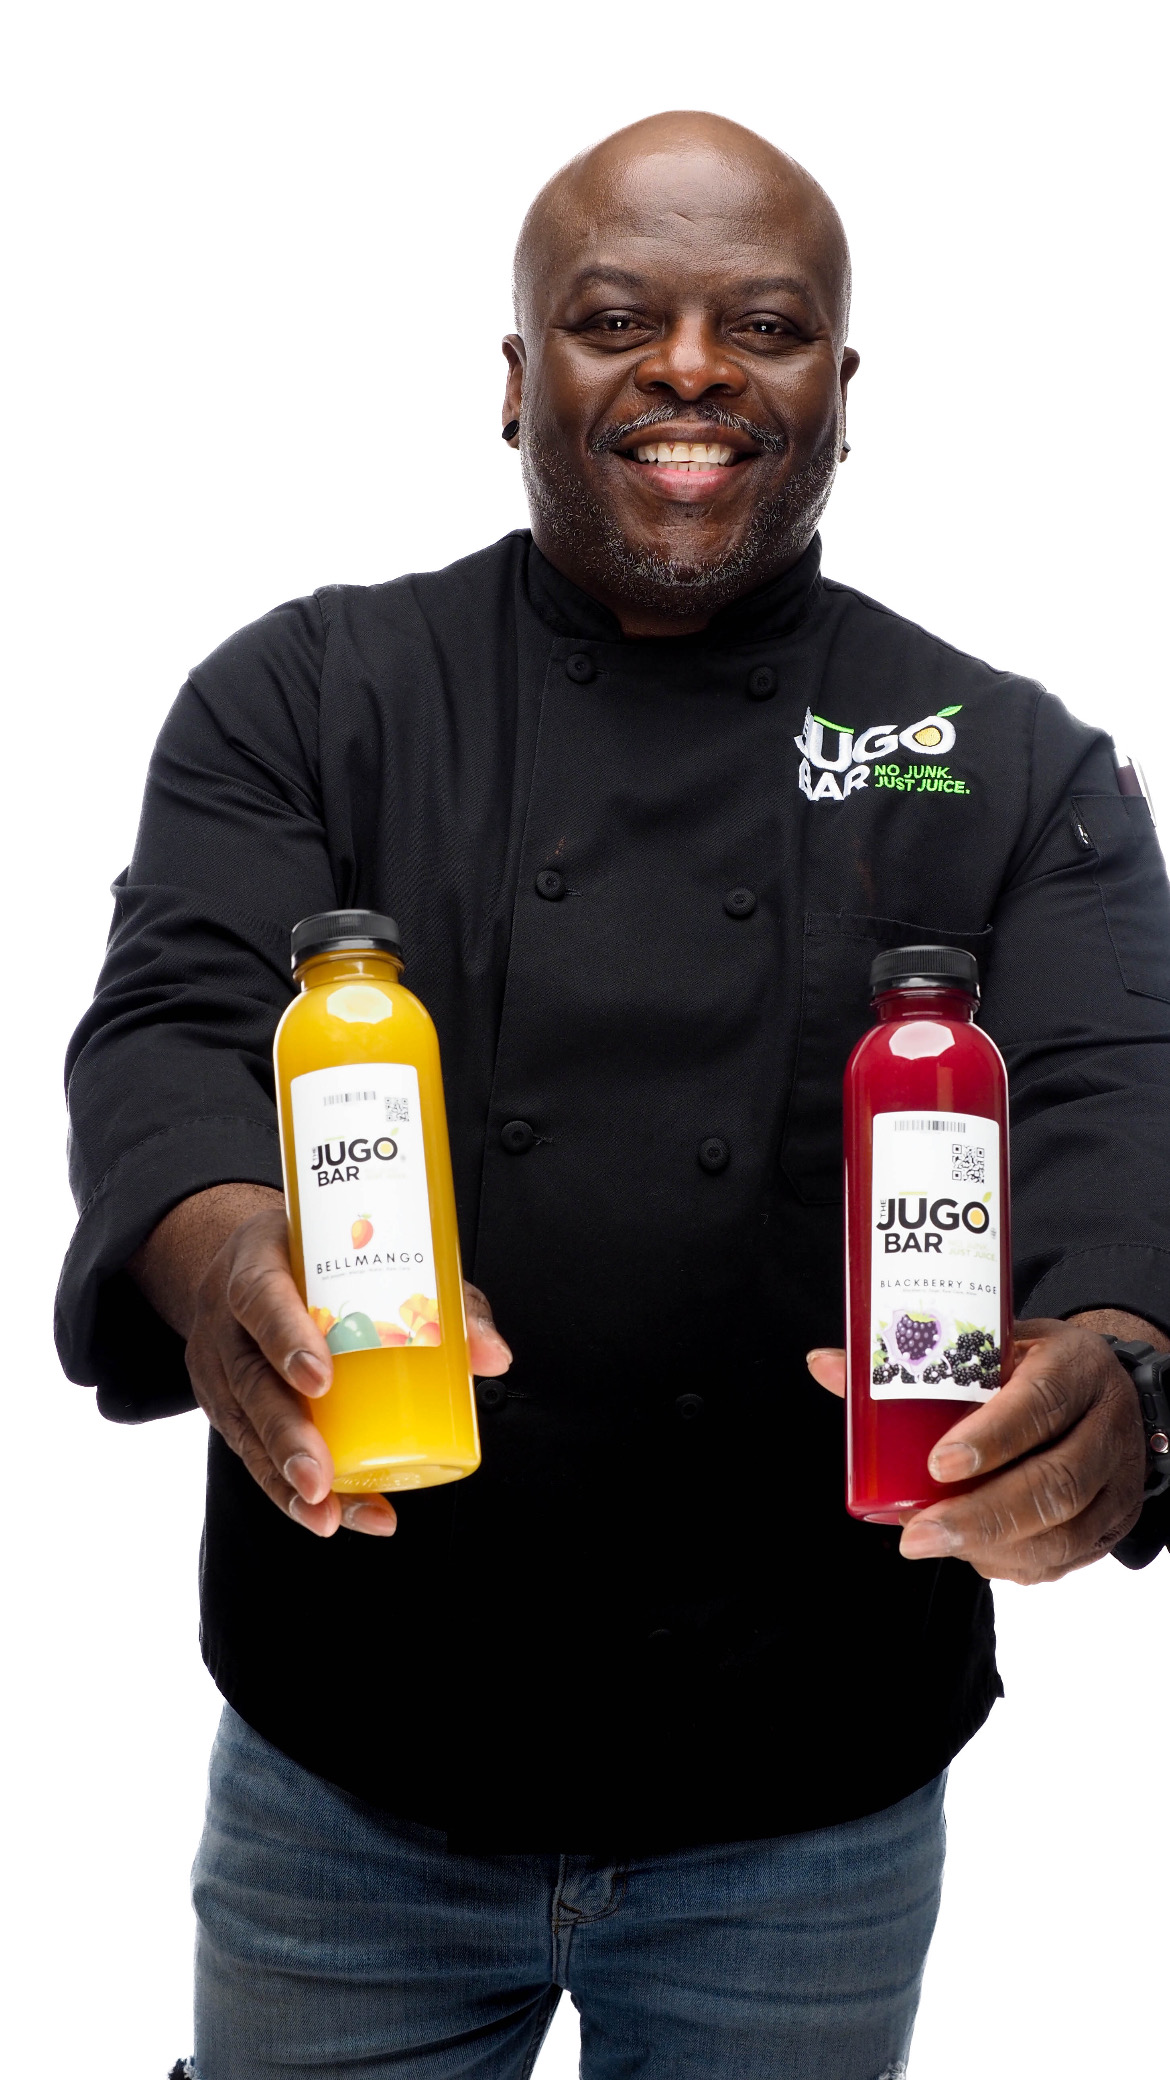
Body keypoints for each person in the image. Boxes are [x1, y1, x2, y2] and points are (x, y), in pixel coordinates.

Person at [56, 110, 1170, 2080]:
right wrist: (222, 1254)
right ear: (514, 378)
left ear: (842, 392)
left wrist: (1118, 1362)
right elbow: (171, 1022)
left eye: (765, 325)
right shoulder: (304, 694)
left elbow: (1120, 1087)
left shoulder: (995, 755)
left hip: (804, 1789)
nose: (691, 367)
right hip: (355, 1764)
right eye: (612, 317)